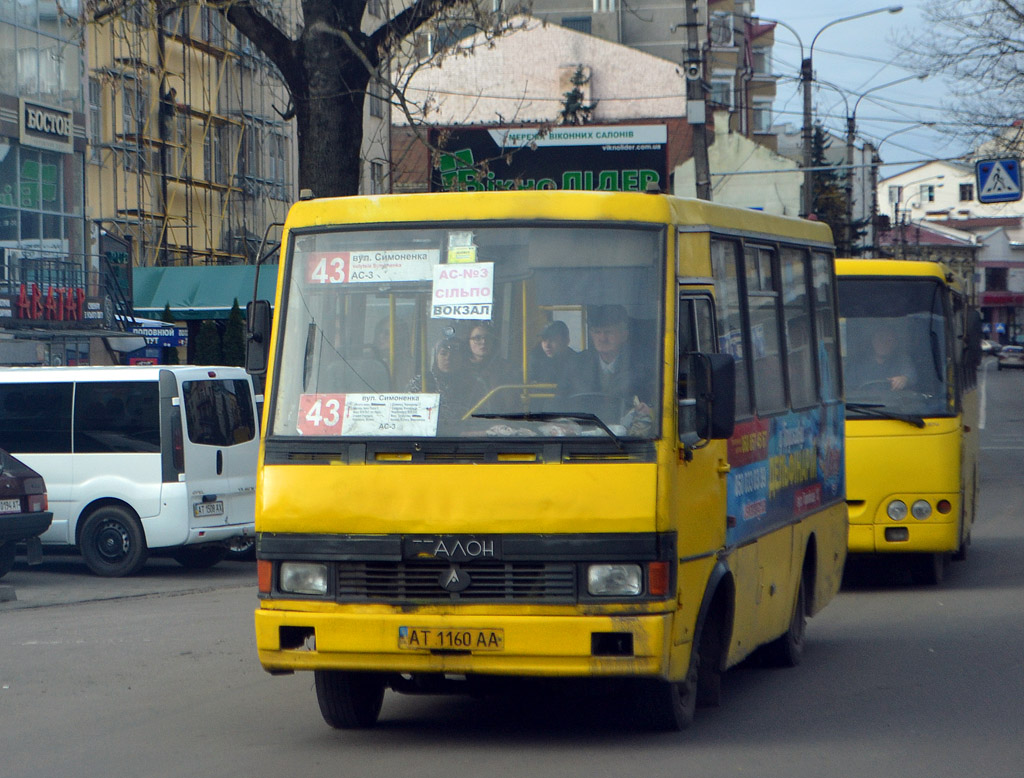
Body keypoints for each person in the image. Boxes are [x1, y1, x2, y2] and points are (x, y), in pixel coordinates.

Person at [558, 304, 654, 431]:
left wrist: (650, 410)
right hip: (581, 436)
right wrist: (560, 422)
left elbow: (657, 401)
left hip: (628, 439)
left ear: (624, 335)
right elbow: (558, 400)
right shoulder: (575, 364)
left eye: (608, 332)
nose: (602, 338)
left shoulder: (642, 365)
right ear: (591, 335)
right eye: (597, 332)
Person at [406, 335, 474, 426]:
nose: (448, 358)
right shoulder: (421, 382)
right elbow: (408, 416)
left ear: (462, 358)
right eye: (443, 353)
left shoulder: (474, 384)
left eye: (454, 354)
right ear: (436, 357)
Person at [850, 326, 917, 392]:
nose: (884, 343)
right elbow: (848, 388)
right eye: (880, 339)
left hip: (893, 401)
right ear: (873, 341)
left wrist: (904, 379)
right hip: (862, 401)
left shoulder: (902, 360)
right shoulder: (857, 363)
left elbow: (911, 376)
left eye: (889, 340)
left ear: (895, 344)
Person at [465, 321, 516, 394]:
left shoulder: (506, 368)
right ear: (468, 341)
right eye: (477, 338)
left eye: (488, 337)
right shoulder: (460, 367)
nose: (483, 341)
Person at [527, 319, 575, 385]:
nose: (547, 345)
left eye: (552, 339)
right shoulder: (536, 359)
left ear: (566, 340)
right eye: (544, 340)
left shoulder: (576, 361)